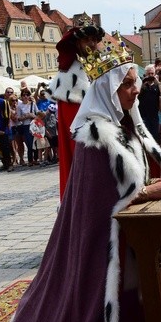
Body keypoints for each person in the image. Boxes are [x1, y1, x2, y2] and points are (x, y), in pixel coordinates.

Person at [2, 50, 161, 322]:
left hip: (128, 233)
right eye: (126, 84)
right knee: (91, 300)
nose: (134, 90)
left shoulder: (124, 124)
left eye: (134, 82)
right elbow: (100, 199)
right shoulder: (95, 134)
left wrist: (150, 181)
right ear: (108, 89)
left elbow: (128, 177)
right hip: (101, 239)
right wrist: (146, 191)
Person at [46, 23, 105, 199]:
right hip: (86, 135)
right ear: (77, 44)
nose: (92, 43)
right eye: (87, 39)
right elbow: (74, 125)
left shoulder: (101, 66)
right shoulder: (68, 77)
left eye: (94, 39)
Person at [138, 64, 161, 142]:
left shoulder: (157, 85)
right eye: (149, 74)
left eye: (152, 74)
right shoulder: (141, 84)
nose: (150, 76)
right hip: (143, 116)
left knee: (154, 138)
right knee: (145, 139)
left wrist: (158, 82)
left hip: (154, 117)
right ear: (145, 74)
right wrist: (143, 83)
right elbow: (137, 94)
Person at [16, 88, 38, 166]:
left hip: (33, 124)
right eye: (24, 95)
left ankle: (35, 159)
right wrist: (25, 117)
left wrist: (32, 115)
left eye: (27, 95)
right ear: (21, 96)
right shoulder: (19, 106)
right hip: (25, 126)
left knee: (35, 142)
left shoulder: (33, 104)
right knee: (29, 143)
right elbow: (18, 118)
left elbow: (37, 114)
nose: (25, 96)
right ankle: (30, 160)